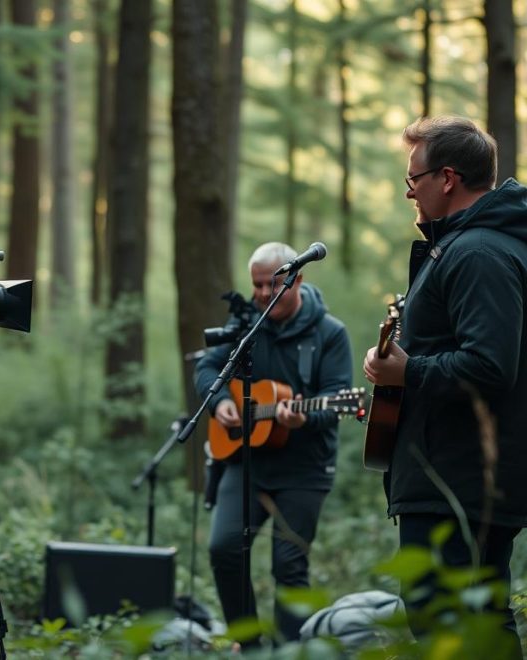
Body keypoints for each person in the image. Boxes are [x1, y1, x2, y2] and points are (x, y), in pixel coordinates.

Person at [363, 116, 527, 654]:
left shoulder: (479, 254)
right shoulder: (463, 247)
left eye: (414, 179)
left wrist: (406, 371)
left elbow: (489, 366)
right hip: (450, 475)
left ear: (448, 177)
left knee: (463, 630)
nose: (409, 191)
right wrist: (397, 384)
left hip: (460, 482)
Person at [194, 242, 352, 642]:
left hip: (304, 470)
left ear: (297, 279)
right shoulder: (248, 323)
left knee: (288, 565)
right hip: (246, 462)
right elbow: (208, 365)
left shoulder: (329, 334)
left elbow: (336, 401)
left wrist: (303, 417)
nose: (263, 294)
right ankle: (247, 645)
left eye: (272, 284)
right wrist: (220, 401)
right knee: (224, 548)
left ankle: (290, 650)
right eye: (256, 285)